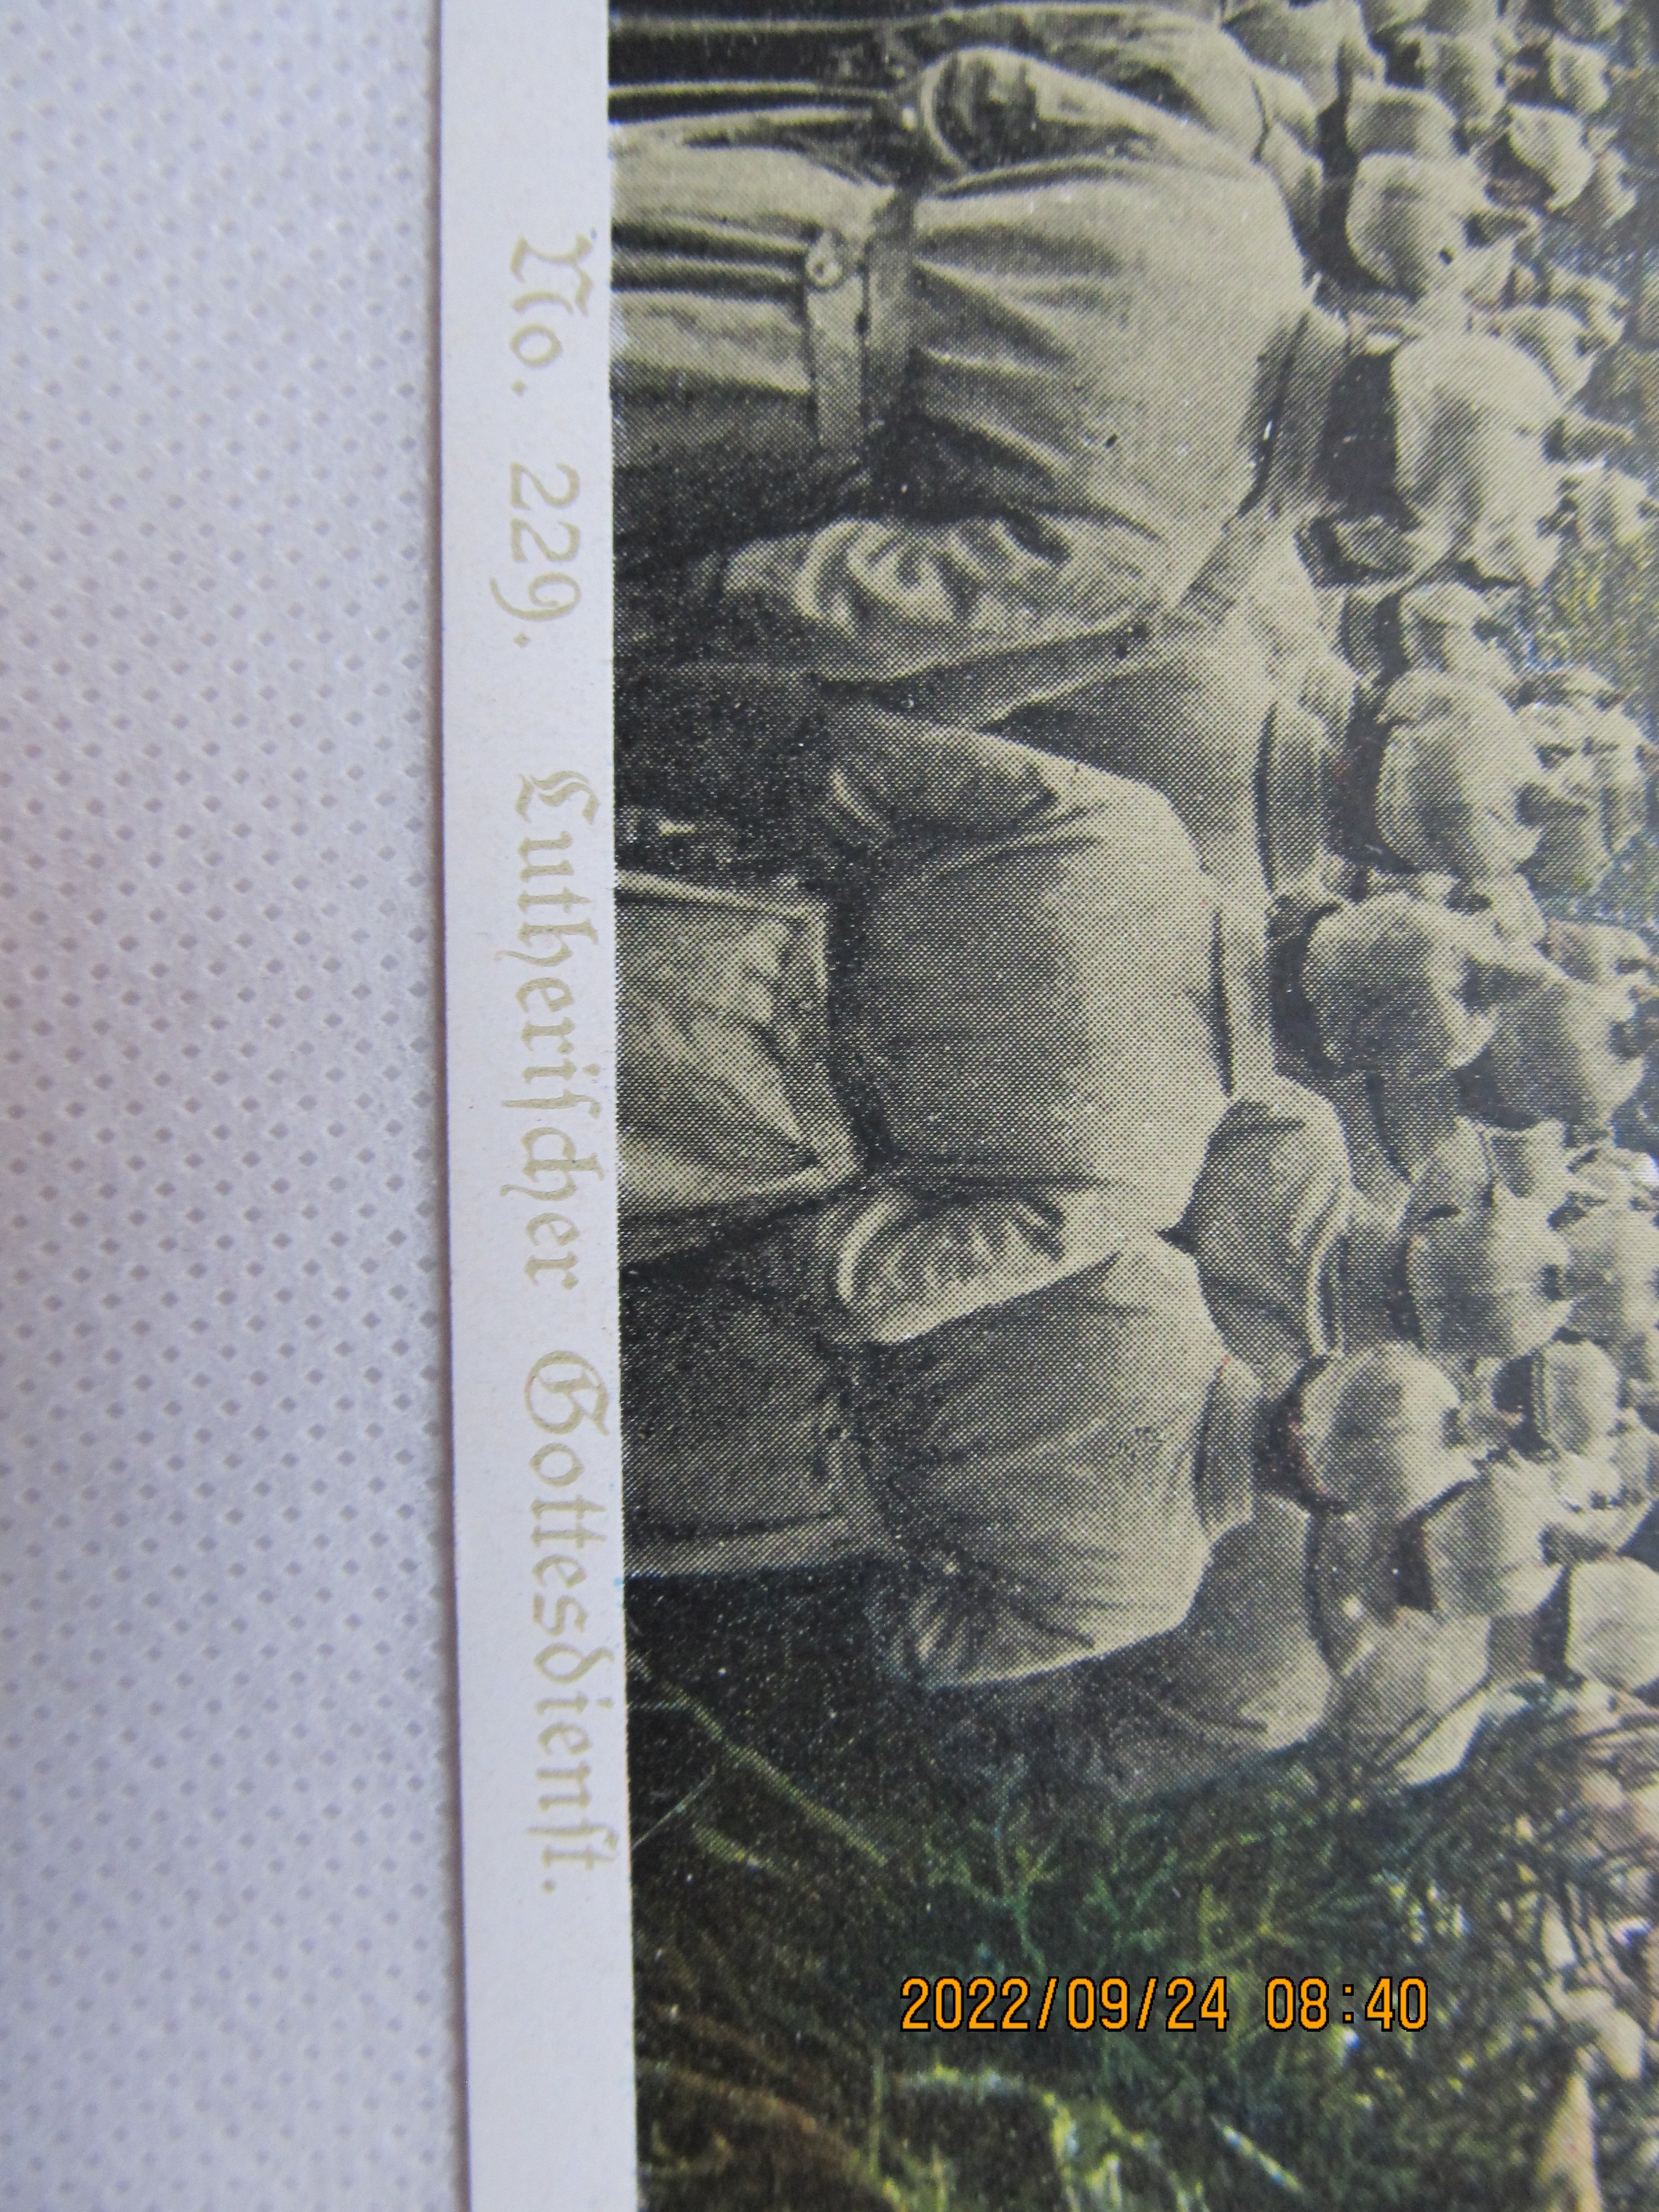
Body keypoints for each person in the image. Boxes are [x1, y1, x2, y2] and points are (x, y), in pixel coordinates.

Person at [623, 1226, 1269, 1689]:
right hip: (781, 1498)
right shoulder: (1149, 1593)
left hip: (773, 1327)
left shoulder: (1159, 1285)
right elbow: (915, 1642)